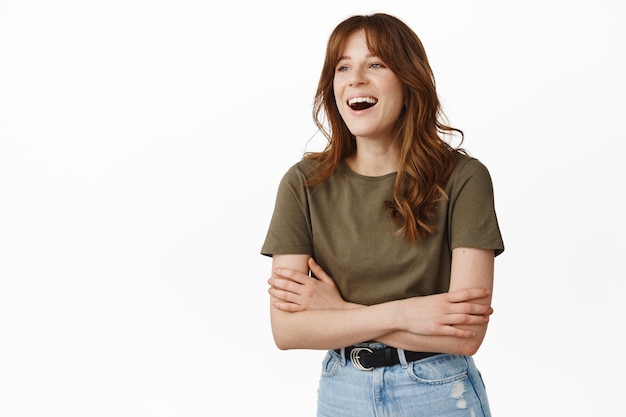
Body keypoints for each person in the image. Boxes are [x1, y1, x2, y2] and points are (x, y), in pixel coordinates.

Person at [261, 13, 504, 417]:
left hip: (438, 390)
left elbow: (465, 336)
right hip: (343, 391)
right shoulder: (303, 184)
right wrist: (407, 312)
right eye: (343, 67)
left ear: (409, 83)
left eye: (375, 64)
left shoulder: (464, 178)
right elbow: (287, 330)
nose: (356, 79)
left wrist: (337, 311)